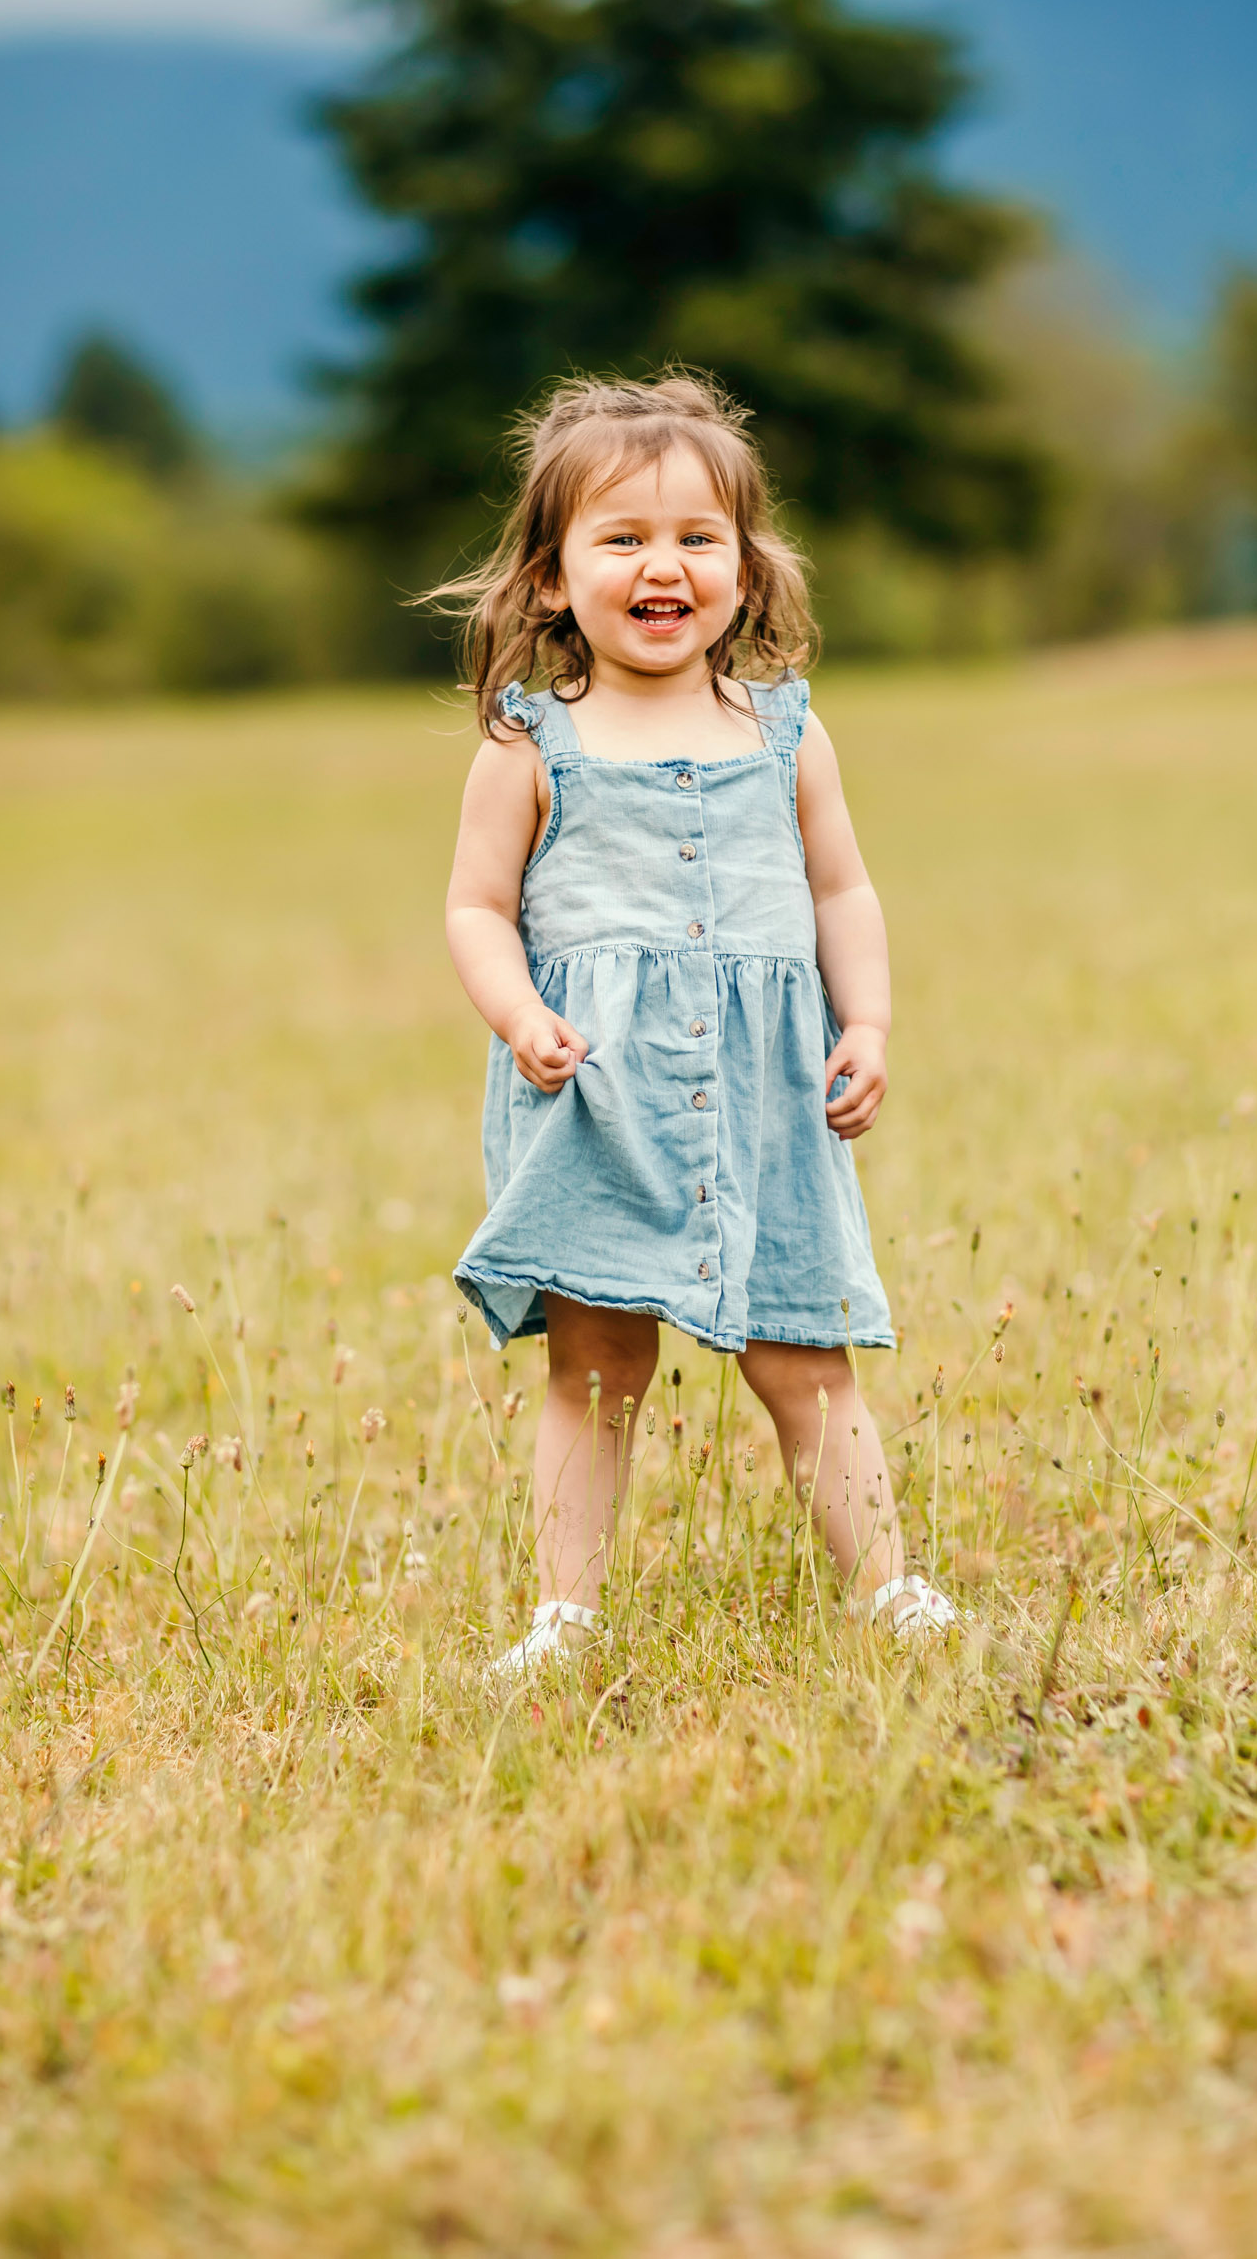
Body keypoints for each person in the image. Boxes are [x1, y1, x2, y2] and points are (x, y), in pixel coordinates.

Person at [441, 373, 962, 1679]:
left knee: (809, 1359)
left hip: (770, 1097)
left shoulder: (787, 732)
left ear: (746, 567)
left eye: (696, 538)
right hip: (599, 1100)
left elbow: (843, 886)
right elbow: (474, 909)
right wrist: (519, 1014)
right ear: (554, 578)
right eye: (622, 538)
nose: (661, 566)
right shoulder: (530, 745)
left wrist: (873, 1021)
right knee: (595, 1368)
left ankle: (888, 1591)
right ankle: (564, 1617)